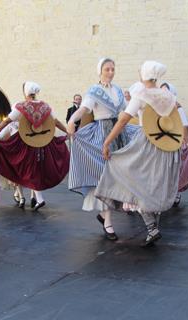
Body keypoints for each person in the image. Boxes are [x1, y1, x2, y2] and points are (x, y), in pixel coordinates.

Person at [95, 61, 182, 247]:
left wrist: (107, 142)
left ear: (143, 74)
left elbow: (123, 120)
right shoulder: (168, 95)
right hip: (166, 144)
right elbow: (176, 118)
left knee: (132, 178)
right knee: (153, 186)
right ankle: (153, 228)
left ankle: (152, 228)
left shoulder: (141, 95)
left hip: (148, 142)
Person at [67, 58, 138, 241]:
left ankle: (106, 216)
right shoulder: (94, 91)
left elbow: (126, 111)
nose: (110, 72)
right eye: (107, 69)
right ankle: (107, 222)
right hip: (101, 134)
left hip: (118, 133)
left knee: (120, 174)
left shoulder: (117, 90)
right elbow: (84, 109)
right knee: (104, 176)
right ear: (100, 71)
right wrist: (71, 120)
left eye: (113, 69)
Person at [0, 81, 70, 211]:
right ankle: (38, 198)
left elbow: (7, 120)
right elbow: (56, 121)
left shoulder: (21, 107)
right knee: (35, 170)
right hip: (42, 145)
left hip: (25, 144)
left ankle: (37, 198)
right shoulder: (45, 107)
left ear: (25, 93)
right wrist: (67, 131)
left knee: (28, 171)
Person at [160, 82, 188, 206]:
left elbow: (184, 125)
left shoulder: (177, 107)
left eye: (166, 90)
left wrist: (186, 141)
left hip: (175, 141)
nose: (163, 93)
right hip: (163, 142)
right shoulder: (158, 107)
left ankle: (176, 193)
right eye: (162, 91)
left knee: (175, 168)